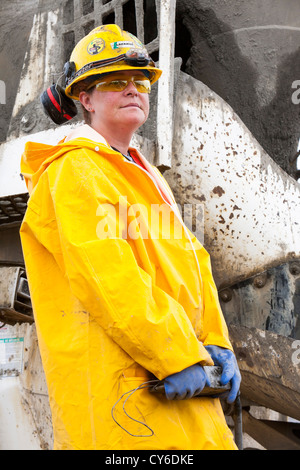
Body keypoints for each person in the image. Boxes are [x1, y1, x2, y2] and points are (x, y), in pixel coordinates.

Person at [20, 24, 241, 450]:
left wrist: (216, 344)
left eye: (139, 82)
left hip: (178, 379)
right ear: (84, 99)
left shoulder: (144, 174)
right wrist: (180, 355)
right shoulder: (75, 171)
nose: (132, 90)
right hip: (129, 397)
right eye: (115, 82)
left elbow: (192, 265)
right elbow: (111, 283)